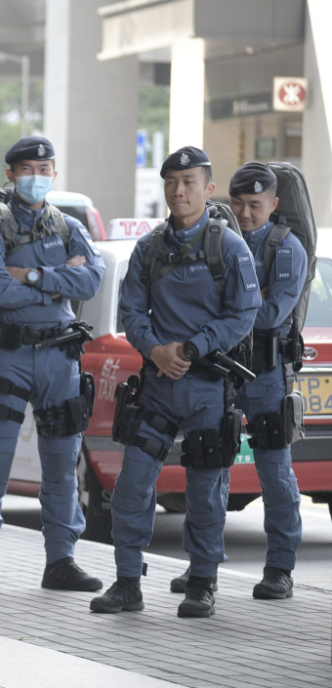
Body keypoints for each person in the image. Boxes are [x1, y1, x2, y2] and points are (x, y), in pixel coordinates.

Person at [90, 146, 260, 618]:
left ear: (208, 188)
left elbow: (244, 313)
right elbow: (130, 313)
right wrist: (156, 350)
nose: (179, 190)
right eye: (172, 182)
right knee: (131, 485)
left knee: (206, 492)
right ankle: (127, 583)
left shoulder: (228, 246)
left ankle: (202, 582)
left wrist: (193, 348)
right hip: (159, 386)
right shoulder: (149, 248)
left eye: (189, 181)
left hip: (206, 388)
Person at [0, 135, 105, 594]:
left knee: (63, 463)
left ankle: (61, 561)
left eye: (44, 171)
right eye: (27, 170)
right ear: (10, 174)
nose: (36, 178)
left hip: (59, 357)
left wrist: (34, 275)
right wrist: (60, 281)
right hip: (10, 356)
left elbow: (93, 279)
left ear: (54, 174)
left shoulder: (69, 226)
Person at [170, 162, 306, 600]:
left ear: (274, 204)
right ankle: (201, 565)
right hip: (219, 372)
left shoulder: (287, 248)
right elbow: (194, 304)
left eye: (255, 205)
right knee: (208, 468)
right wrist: (241, 304)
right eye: (238, 204)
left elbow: (270, 315)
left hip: (265, 375)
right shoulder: (215, 240)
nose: (245, 213)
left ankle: (280, 568)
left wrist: (229, 309)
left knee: (274, 472)